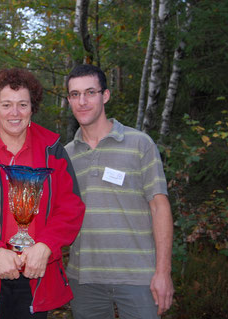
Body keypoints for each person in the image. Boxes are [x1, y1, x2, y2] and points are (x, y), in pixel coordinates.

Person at [0, 68, 86, 319]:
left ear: (32, 108)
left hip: (37, 276)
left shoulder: (53, 151)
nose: (15, 112)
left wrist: (46, 245)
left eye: (23, 104)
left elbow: (71, 208)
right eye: (7, 104)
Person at [64, 64, 174, 319]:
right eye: (75, 94)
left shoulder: (140, 144)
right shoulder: (66, 155)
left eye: (90, 92)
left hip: (138, 278)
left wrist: (163, 272)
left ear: (105, 96)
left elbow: (159, 207)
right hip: (85, 279)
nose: (82, 101)